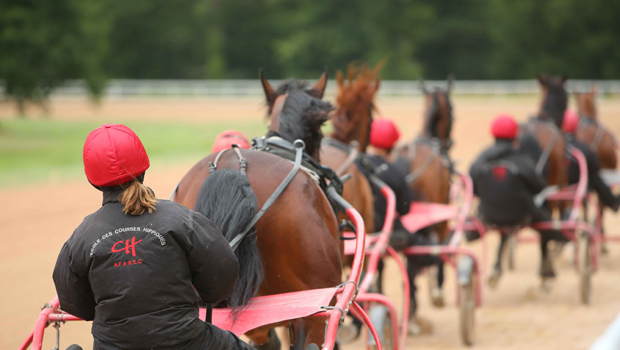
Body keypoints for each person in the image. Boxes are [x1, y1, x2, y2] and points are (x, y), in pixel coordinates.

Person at [53, 124, 254, 350]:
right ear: (143, 168)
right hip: (187, 342)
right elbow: (223, 279)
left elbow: (77, 305)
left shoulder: (80, 238)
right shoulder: (184, 220)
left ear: (93, 181)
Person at [366, 118, 439, 334]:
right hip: (385, 233)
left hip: (357, 232)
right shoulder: (395, 171)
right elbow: (406, 209)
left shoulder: (358, 164)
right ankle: (414, 294)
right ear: (392, 145)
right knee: (419, 244)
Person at [469, 114, 564, 278]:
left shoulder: (481, 159)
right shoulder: (523, 160)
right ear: (515, 135)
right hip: (521, 216)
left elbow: (472, 185)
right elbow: (539, 187)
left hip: (488, 214)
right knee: (544, 212)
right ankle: (552, 248)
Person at [562, 110, 620, 211]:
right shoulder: (584, 148)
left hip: (559, 186)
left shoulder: (555, 147)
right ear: (576, 127)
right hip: (580, 185)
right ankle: (612, 201)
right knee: (595, 177)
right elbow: (595, 167)